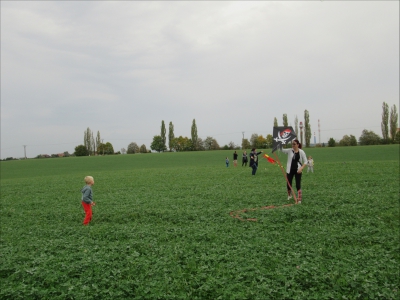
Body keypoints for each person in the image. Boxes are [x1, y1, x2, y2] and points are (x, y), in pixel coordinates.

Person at [280, 139, 307, 204]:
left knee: (298, 184)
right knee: (288, 184)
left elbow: (306, 161)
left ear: (298, 145)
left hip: (298, 170)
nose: (293, 145)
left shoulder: (301, 152)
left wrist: (301, 168)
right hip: (290, 170)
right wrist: (281, 143)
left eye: (294, 144)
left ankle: (299, 199)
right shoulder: (289, 150)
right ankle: (289, 195)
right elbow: (282, 150)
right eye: (292, 144)